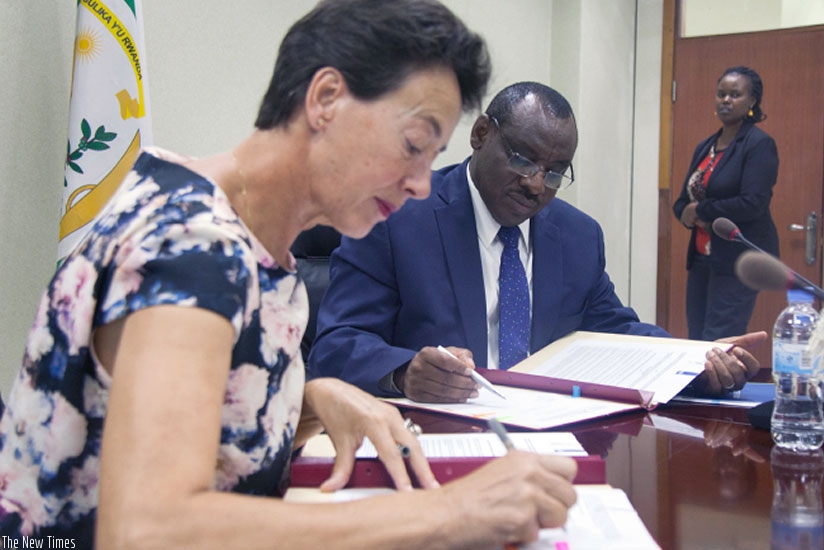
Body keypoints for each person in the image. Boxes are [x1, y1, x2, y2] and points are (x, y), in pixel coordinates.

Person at [0, 2, 580, 548]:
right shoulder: (189, 247)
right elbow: (149, 528)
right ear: (325, 98)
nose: (422, 185)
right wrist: (450, 512)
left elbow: (180, 411)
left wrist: (307, 400)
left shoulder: (250, 237)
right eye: (413, 145)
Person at [308, 81, 765, 403]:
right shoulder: (396, 218)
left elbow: (617, 331)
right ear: (481, 135)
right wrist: (405, 372)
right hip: (437, 434)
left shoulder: (577, 236)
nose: (535, 186)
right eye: (523, 160)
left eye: (553, 172)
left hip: (552, 434)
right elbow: (336, 343)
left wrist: (694, 362)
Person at [673, 66, 779, 341]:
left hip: (736, 261)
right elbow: (685, 199)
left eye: (735, 95)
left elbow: (753, 203)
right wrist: (683, 212)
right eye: (721, 94)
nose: (725, 101)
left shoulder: (758, 144)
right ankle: (699, 386)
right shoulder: (706, 146)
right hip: (701, 258)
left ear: (752, 101)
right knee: (697, 338)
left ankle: (725, 387)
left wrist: (700, 211)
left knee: (720, 340)